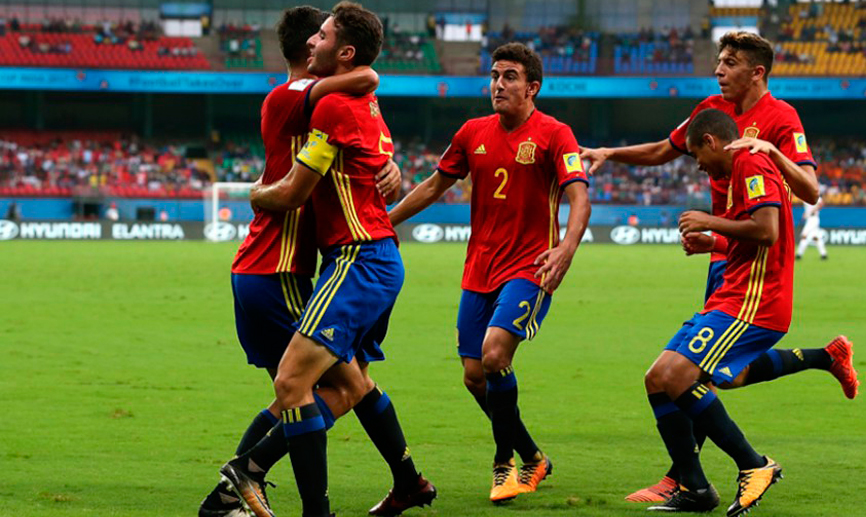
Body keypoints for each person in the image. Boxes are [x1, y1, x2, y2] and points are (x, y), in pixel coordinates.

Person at [581, 31, 858, 503]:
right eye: (718, 62)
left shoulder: (780, 119)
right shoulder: (712, 108)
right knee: (707, 373)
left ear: (757, 72)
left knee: (694, 373)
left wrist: (772, 154)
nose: (718, 70)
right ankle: (820, 360)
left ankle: (692, 476)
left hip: (755, 261)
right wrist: (610, 153)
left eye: (729, 63)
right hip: (726, 252)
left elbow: (811, 190)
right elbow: (666, 149)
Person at [199, 6, 432, 517]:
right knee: (324, 387)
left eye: (327, 36)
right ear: (310, 48)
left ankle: (240, 487)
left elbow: (363, 115)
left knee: (332, 387)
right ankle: (245, 484)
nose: (317, 44)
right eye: (318, 35)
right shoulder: (295, 99)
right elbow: (368, 76)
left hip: (318, 263)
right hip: (279, 266)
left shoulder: (337, 103)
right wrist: (261, 195)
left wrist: (385, 163)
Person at [388, 42, 591, 503]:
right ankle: (534, 457)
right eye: (496, 75)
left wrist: (566, 248)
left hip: (531, 265)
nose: (499, 84)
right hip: (479, 267)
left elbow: (579, 196)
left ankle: (505, 465)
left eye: (510, 76)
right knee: (474, 376)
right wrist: (384, 221)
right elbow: (435, 184)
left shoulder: (556, 134)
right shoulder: (472, 132)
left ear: (532, 87)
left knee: (496, 355)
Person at [648, 108, 792, 514]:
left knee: (677, 375)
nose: (698, 166)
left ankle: (754, 465)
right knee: (657, 378)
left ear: (711, 142)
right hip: (734, 294)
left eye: (697, 156)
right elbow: (755, 243)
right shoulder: (739, 172)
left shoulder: (748, 163)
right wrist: (714, 242)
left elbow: (768, 232)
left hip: (755, 301)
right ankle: (694, 487)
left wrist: (710, 220)